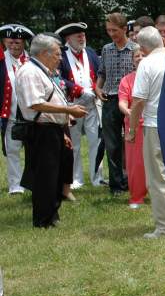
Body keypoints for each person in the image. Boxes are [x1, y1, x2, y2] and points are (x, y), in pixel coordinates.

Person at [15, 33, 87, 227]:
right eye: (57, 54)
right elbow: (35, 103)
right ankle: (43, 219)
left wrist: (63, 128)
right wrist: (68, 109)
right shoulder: (30, 72)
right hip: (41, 130)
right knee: (45, 175)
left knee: (56, 173)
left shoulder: (42, 71)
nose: (60, 58)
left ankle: (51, 214)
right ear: (44, 53)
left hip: (52, 128)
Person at [126, 26, 165, 238]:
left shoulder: (147, 64)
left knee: (157, 177)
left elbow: (139, 101)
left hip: (155, 124)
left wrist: (132, 129)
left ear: (142, 47)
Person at [56, 21, 104, 189]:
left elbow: (100, 73)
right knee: (74, 144)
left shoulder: (90, 52)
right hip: (72, 104)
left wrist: (96, 88)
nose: (82, 38)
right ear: (68, 38)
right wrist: (77, 89)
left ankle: (97, 178)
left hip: (92, 104)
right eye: (78, 36)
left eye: (83, 35)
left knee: (95, 142)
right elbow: (58, 78)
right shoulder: (61, 54)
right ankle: (75, 179)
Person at [95, 12, 135, 195]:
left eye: (115, 30)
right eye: (109, 30)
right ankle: (116, 184)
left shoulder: (136, 49)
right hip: (110, 99)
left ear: (124, 29)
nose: (112, 34)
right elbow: (101, 73)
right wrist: (97, 88)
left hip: (131, 100)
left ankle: (134, 180)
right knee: (112, 144)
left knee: (133, 142)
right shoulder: (106, 49)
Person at [0, 23, 34, 195]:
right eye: (10, 42)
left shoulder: (32, 61)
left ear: (24, 44)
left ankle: (32, 181)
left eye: (17, 43)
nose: (13, 46)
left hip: (32, 115)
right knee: (12, 150)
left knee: (33, 150)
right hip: (10, 114)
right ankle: (15, 184)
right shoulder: (1, 61)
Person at [117, 43, 147, 209]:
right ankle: (136, 196)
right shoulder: (126, 80)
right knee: (135, 163)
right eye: (137, 56)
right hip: (133, 125)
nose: (140, 58)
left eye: (143, 55)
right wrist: (130, 113)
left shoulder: (153, 75)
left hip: (151, 123)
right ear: (132, 60)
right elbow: (122, 102)